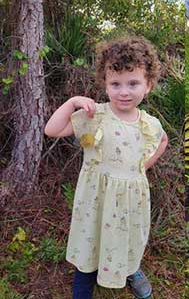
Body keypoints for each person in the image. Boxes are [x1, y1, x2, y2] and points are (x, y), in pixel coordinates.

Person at [45, 36, 168, 299]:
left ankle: (130, 270)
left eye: (133, 83)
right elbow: (52, 129)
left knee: (127, 240)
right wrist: (73, 102)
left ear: (148, 85)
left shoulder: (150, 124)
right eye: (116, 84)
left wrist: (142, 166)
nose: (124, 91)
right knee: (90, 246)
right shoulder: (95, 116)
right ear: (105, 84)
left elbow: (163, 141)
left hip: (129, 202)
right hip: (96, 201)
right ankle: (83, 290)